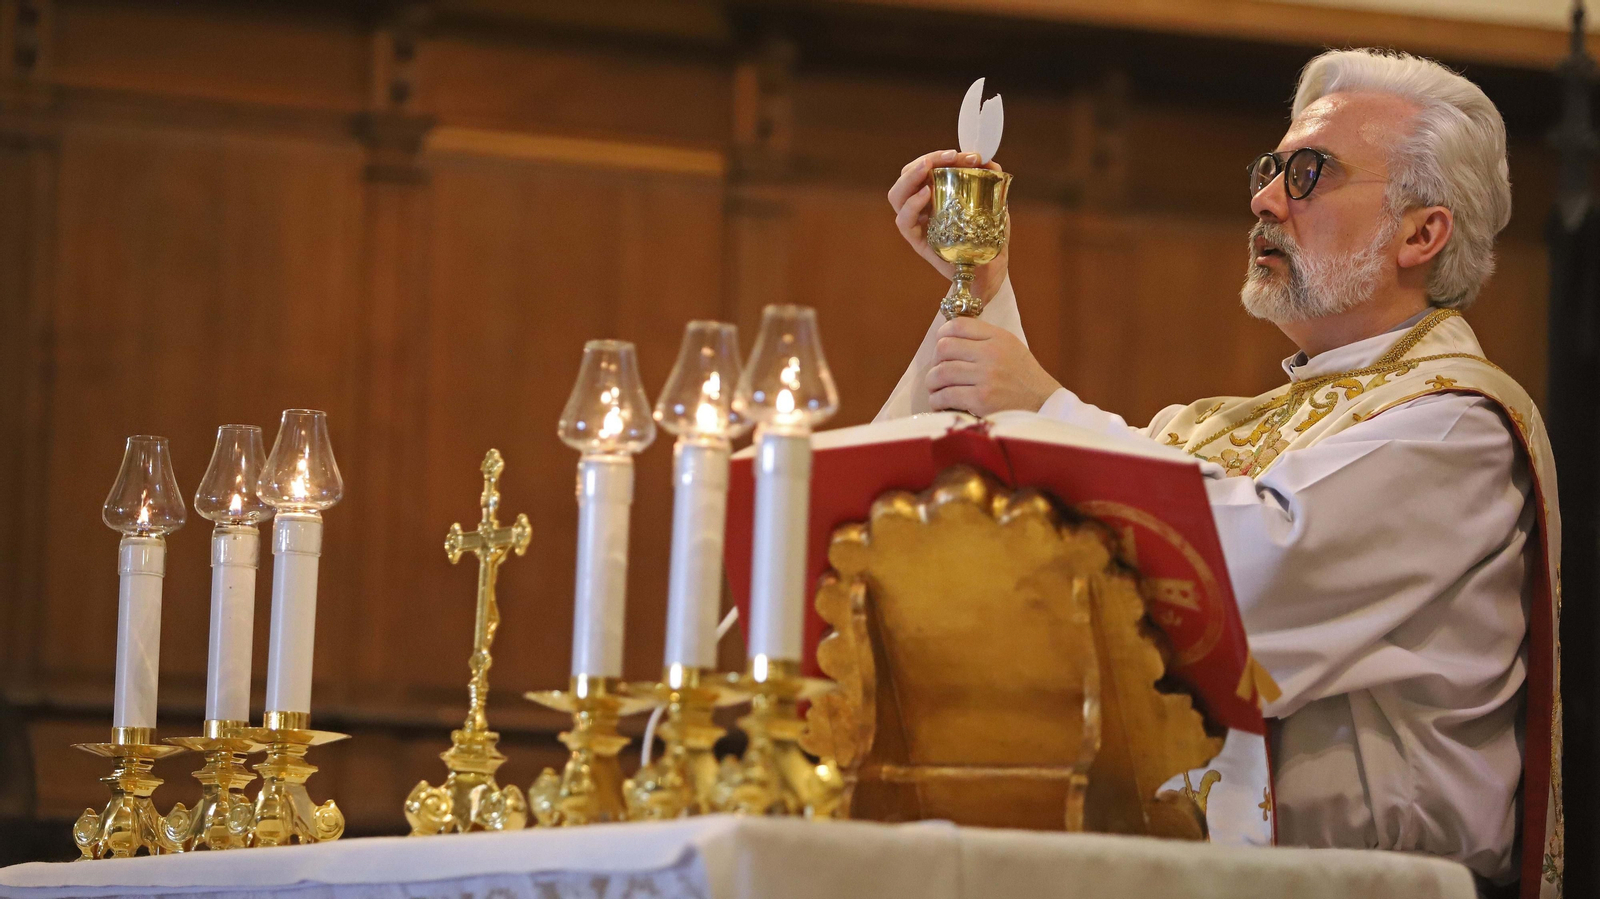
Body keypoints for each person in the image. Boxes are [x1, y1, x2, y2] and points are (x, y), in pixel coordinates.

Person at [879, 49, 1561, 896]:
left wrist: (1048, 406)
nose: (1265, 199)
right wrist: (978, 286)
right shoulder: (1222, 428)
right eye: (1271, 168)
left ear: (1421, 233)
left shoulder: (1456, 425)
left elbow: (1243, 580)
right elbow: (1067, 532)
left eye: (1308, 173)